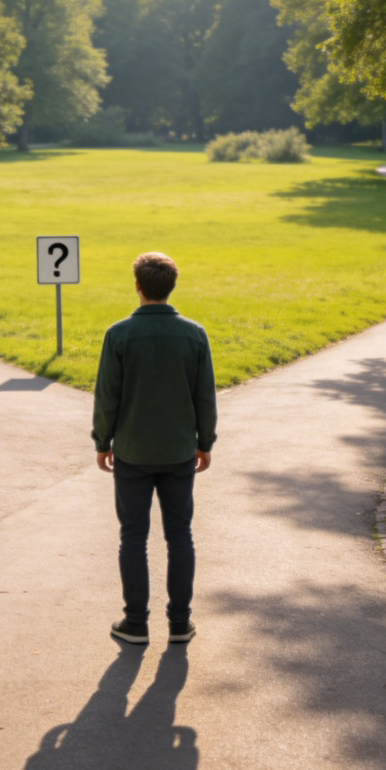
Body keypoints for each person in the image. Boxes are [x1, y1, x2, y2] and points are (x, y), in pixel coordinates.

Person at [92, 252, 217, 646]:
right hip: (179, 451)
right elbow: (205, 397)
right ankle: (180, 623)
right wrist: (205, 442)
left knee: (133, 537)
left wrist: (102, 442)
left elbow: (107, 397)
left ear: (138, 286)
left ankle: (136, 623)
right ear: (171, 286)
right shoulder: (194, 334)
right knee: (180, 535)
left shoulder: (118, 334)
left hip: (132, 451)